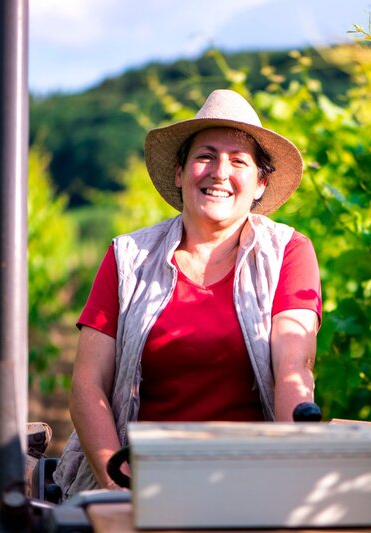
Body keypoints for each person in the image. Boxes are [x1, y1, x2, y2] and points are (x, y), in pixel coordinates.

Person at [53, 89, 321, 498]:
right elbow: (87, 386)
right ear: (180, 173)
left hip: (252, 480)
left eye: (238, 161)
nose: (219, 172)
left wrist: (289, 477)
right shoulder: (128, 257)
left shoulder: (288, 252)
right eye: (205, 156)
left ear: (260, 183)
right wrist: (117, 483)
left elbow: (293, 368)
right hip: (143, 478)